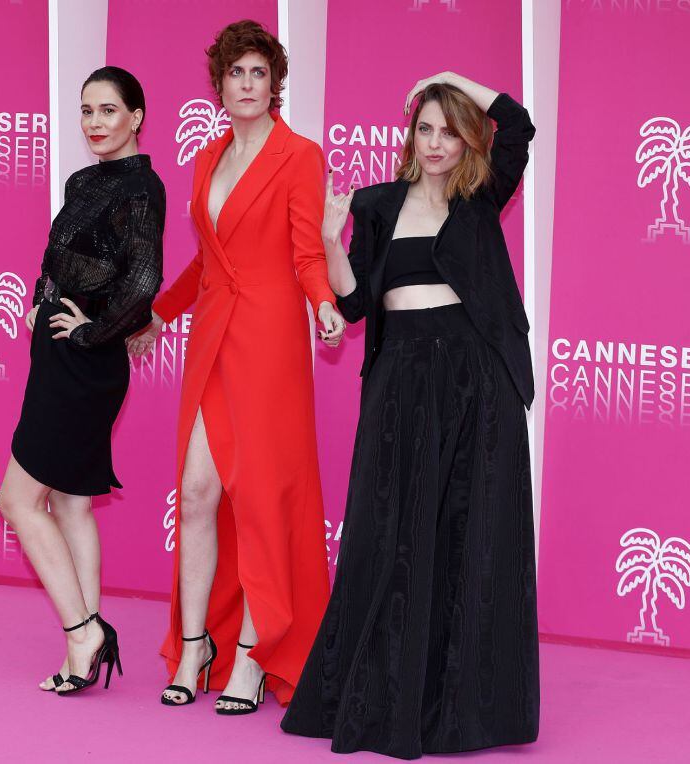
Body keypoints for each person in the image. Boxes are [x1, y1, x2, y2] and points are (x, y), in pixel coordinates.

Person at [281, 72, 539, 757]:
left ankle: (463, 711)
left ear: (466, 143)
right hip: (401, 383)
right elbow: (354, 303)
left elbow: (517, 123)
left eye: (448, 131)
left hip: (476, 383)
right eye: (424, 128)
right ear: (409, 136)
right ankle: (377, 696)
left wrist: (447, 81)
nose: (434, 143)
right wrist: (334, 241)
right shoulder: (373, 204)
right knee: (387, 529)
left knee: (469, 535)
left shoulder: (481, 199)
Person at [127, 19, 345, 715]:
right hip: (214, 338)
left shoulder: (299, 156)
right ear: (218, 84)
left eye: (259, 73)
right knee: (196, 494)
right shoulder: (205, 159)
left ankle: (255, 653)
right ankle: (195, 645)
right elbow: (208, 260)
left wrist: (323, 305)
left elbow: (307, 252)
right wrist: (161, 311)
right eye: (236, 73)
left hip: (272, 341)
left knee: (259, 501)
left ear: (274, 83)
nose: (247, 85)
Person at [0, 66, 165, 696]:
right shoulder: (83, 179)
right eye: (87, 112)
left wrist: (92, 333)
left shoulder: (141, 191)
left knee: (17, 500)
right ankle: (85, 649)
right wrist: (43, 303)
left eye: (108, 111)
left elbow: (142, 283)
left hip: (84, 363)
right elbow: (55, 254)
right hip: (58, 354)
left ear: (136, 117)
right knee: (67, 500)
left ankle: (82, 631)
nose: (96, 124)